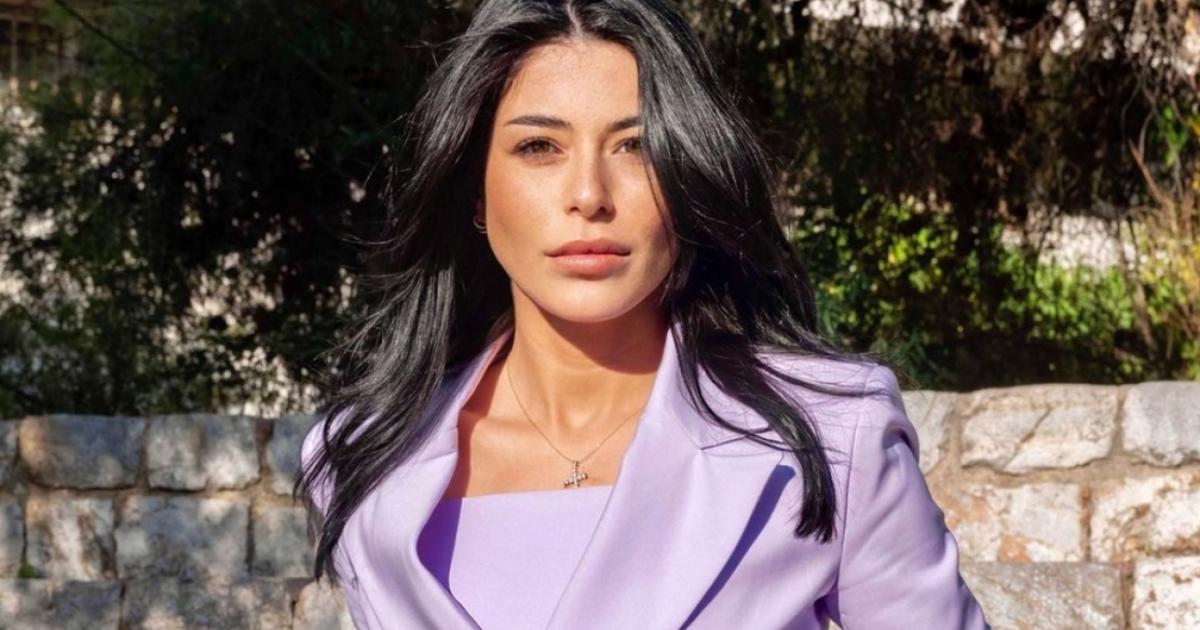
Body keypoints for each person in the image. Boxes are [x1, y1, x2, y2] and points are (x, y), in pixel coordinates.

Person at [298, 0, 991, 628]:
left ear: (688, 175)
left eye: (636, 146)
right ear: (475, 192)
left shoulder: (833, 433)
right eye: (539, 147)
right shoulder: (362, 457)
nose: (589, 194)